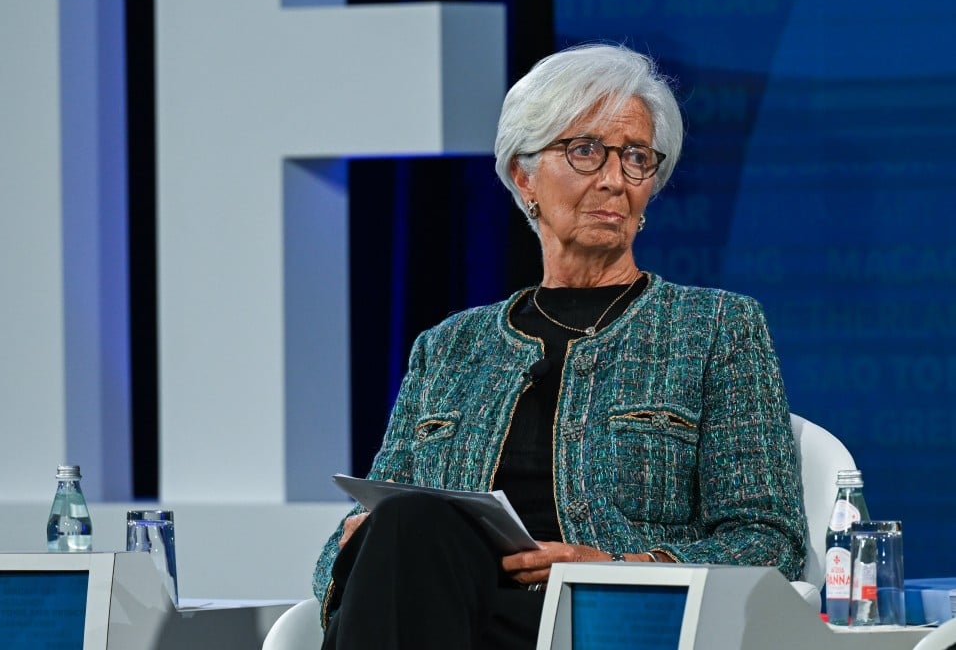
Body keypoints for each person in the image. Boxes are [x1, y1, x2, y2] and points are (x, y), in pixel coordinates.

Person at [312, 43, 806, 649]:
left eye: (636, 158)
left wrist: (616, 570)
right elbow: (341, 549)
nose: (613, 180)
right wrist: (360, 537)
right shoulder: (449, 347)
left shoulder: (715, 328)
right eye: (585, 151)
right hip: (445, 611)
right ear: (524, 177)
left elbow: (768, 538)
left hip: (607, 624)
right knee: (407, 523)